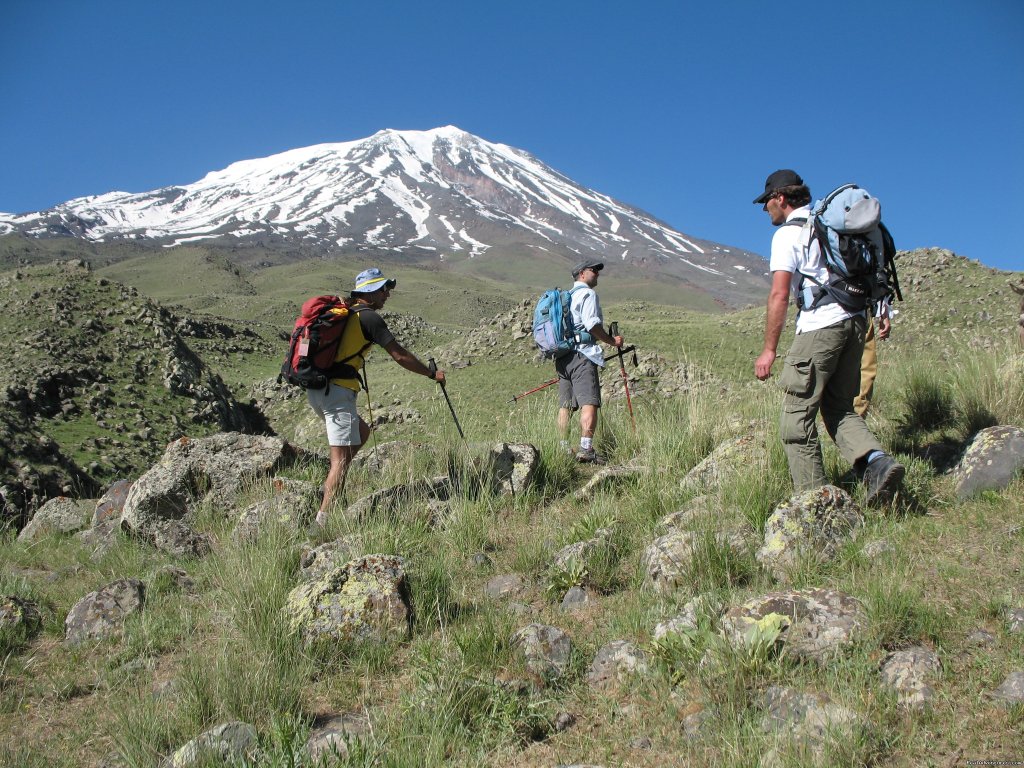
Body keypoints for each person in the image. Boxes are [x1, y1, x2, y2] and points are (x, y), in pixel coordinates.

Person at [752, 170, 904, 503]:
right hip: (854, 326)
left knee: (795, 417)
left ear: (781, 198)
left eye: (766, 203)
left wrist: (768, 350)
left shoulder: (789, 234)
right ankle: (877, 464)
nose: (766, 211)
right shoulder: (830, 227)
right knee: (839, 408)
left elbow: (779, 295)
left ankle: (817, 504)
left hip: (819, 328)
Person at [307, 267, 445, 526]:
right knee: (339, 462)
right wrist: (430, 374)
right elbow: (399, 355)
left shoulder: (345, 313)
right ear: (370, 291)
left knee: (361, 432)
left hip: (318, 389)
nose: (388, 295)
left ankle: (332, 486)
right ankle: (321, 523)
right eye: (384, 290)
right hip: (337, 392)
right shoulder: (369, 318)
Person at [556, 259, 624, 463]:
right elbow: (592, 324)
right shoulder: (587, 294)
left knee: (565, 406)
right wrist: (612, 341)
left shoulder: (566, 297)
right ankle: (585, 449)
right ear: (582, 274)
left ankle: (563, 449)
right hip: (582, 354)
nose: (597, 273)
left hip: (563, 356)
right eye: (594, 270)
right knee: (589, 402)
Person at [853, 302, 891, 418]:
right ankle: (855, 421)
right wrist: (884, 314)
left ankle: (853, 421)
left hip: (821, 312)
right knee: (865, 369)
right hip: (858, 308)